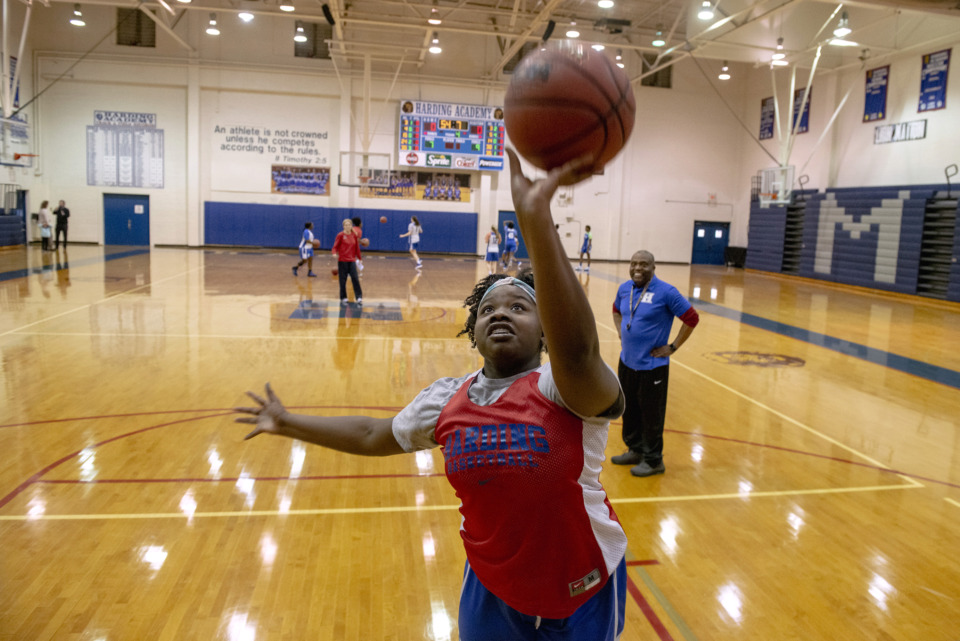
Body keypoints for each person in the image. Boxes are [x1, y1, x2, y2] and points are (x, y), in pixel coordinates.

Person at [235, 149, 629, 640]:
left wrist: (537, 224)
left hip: (583, 592)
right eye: (488, 309)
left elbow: (578, 352)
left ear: (546, 328)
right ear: (473, 331)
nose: (501, 313)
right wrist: (287, 422)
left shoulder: (563, 389)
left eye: (520, 306)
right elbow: (372, 433)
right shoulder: (448, 399)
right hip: (491, 590)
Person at [611, 250, 700, 477]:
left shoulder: (666, 292)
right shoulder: (625, 289)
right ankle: (636, 450)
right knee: (629, 410)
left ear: (653, 267)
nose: (638, 268)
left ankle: (653, 460)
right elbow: (615, 310)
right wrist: (621, 332)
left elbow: (692, 318)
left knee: (651, 414)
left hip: (652, 367)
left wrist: (672, 347)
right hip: (627, 362)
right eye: (634, 264)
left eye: (643, 264)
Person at [332, 218, 363, 304]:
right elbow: (335, 247)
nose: (347, 226)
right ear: (343, 226)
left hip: (352, 260)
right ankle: (343, 297)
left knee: (355, 278)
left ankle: (359, 297)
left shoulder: (354, 235)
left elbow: (357, 248)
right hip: (342, 260)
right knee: (343, 280)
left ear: (351, 226)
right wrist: (334, 253)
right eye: (346, 225)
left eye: (349, 225)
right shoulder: (340, 235)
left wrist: (359, 258)